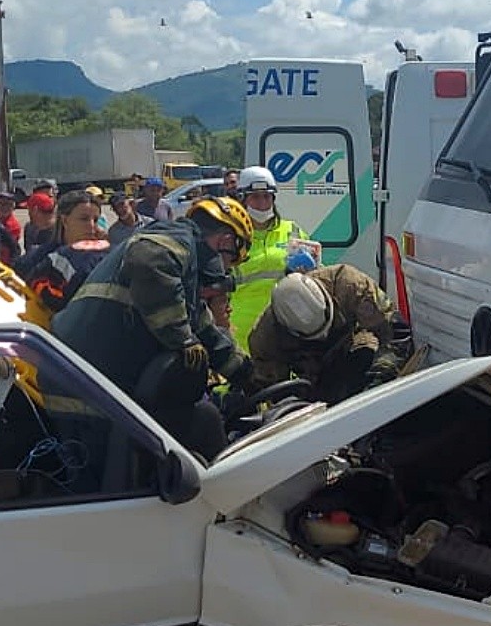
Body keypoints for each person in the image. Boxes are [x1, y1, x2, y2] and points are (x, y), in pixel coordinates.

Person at [52, 197, 254, 458]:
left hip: (88, 388)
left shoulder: (183, 277)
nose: (223, 272)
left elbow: (207, 334)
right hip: (89, 393)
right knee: (204, 422)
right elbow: (150, 261)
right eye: (230, 262)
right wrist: (182, 339)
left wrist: (249, 377)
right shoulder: (178, 237)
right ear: (225, 242)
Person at [247, 266, 409, 404]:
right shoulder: (265, 340)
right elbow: (276, 393)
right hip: (312, 376)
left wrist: (384, 368)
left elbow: (395, 332)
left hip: (353, 349)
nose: (324, 337)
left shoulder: (350, 285)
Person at [228, 166, 308, 347]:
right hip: (242, 328)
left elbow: (315, 273)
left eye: (267, 196)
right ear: (243, 199)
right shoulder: (232, 237)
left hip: (284, 322)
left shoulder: (292, 231)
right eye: (255, 197)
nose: (262, 202)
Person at [21, 190, 112, 314]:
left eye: (95, 220)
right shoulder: (42, 258)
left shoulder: (105, 255)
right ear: (65, 221)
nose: (92, 226)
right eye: (84, 219)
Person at [0, 191, 25, 257]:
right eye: (1, 203)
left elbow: (6, 246)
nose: (4, 207)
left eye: (8, 204)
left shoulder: (14, 226)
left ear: (13, 207)